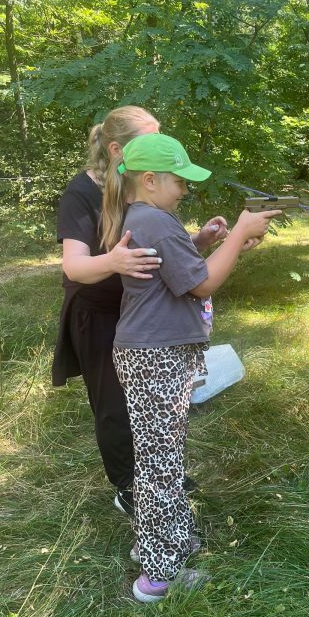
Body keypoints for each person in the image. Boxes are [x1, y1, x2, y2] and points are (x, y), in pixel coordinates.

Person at [102, 132, 281, 602]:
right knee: (161, 465)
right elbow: (201, 284)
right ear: (150, 180)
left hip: (155, 353)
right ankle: (157, 578)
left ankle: (166, 543)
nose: (185, 189)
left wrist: (205, 241)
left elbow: (178, 271)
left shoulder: (151, 218)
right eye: (179, 181)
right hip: (155, 356)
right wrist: (238, 233)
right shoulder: (155, 220)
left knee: (161, 458)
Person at [52, 106, 228, 516]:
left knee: (151, 406)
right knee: (115, 405)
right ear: (117, 150)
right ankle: (128, 485)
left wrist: (198, 242)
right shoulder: (81, 193)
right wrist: (112, 262)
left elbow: (156, 253)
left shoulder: (143, 192)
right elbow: (74, 266)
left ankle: (158, 477)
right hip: (99, 313)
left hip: (138, 311)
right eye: (148, 140)